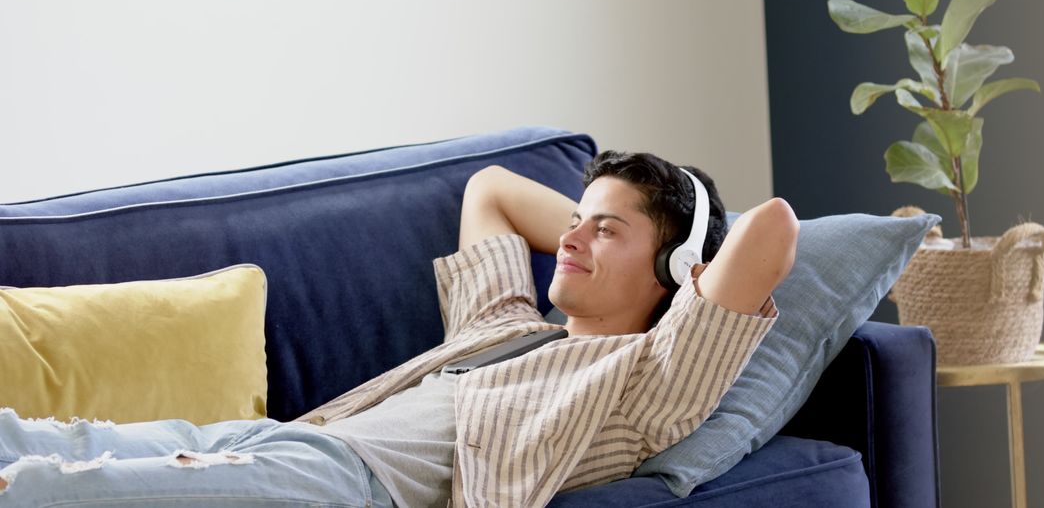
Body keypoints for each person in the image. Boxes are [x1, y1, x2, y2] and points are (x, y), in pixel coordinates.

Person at [0, 151, 798, 508]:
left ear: (673, 274)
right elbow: (492, 189)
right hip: (283, 440)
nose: (575, 240)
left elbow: (774, 229)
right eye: (575, 226)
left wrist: (675, 263)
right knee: (52, 442)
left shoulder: (642, 383)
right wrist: (602, 233)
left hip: (346, 489)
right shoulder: (504, 324)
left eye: (605, 232)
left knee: (66, 492)